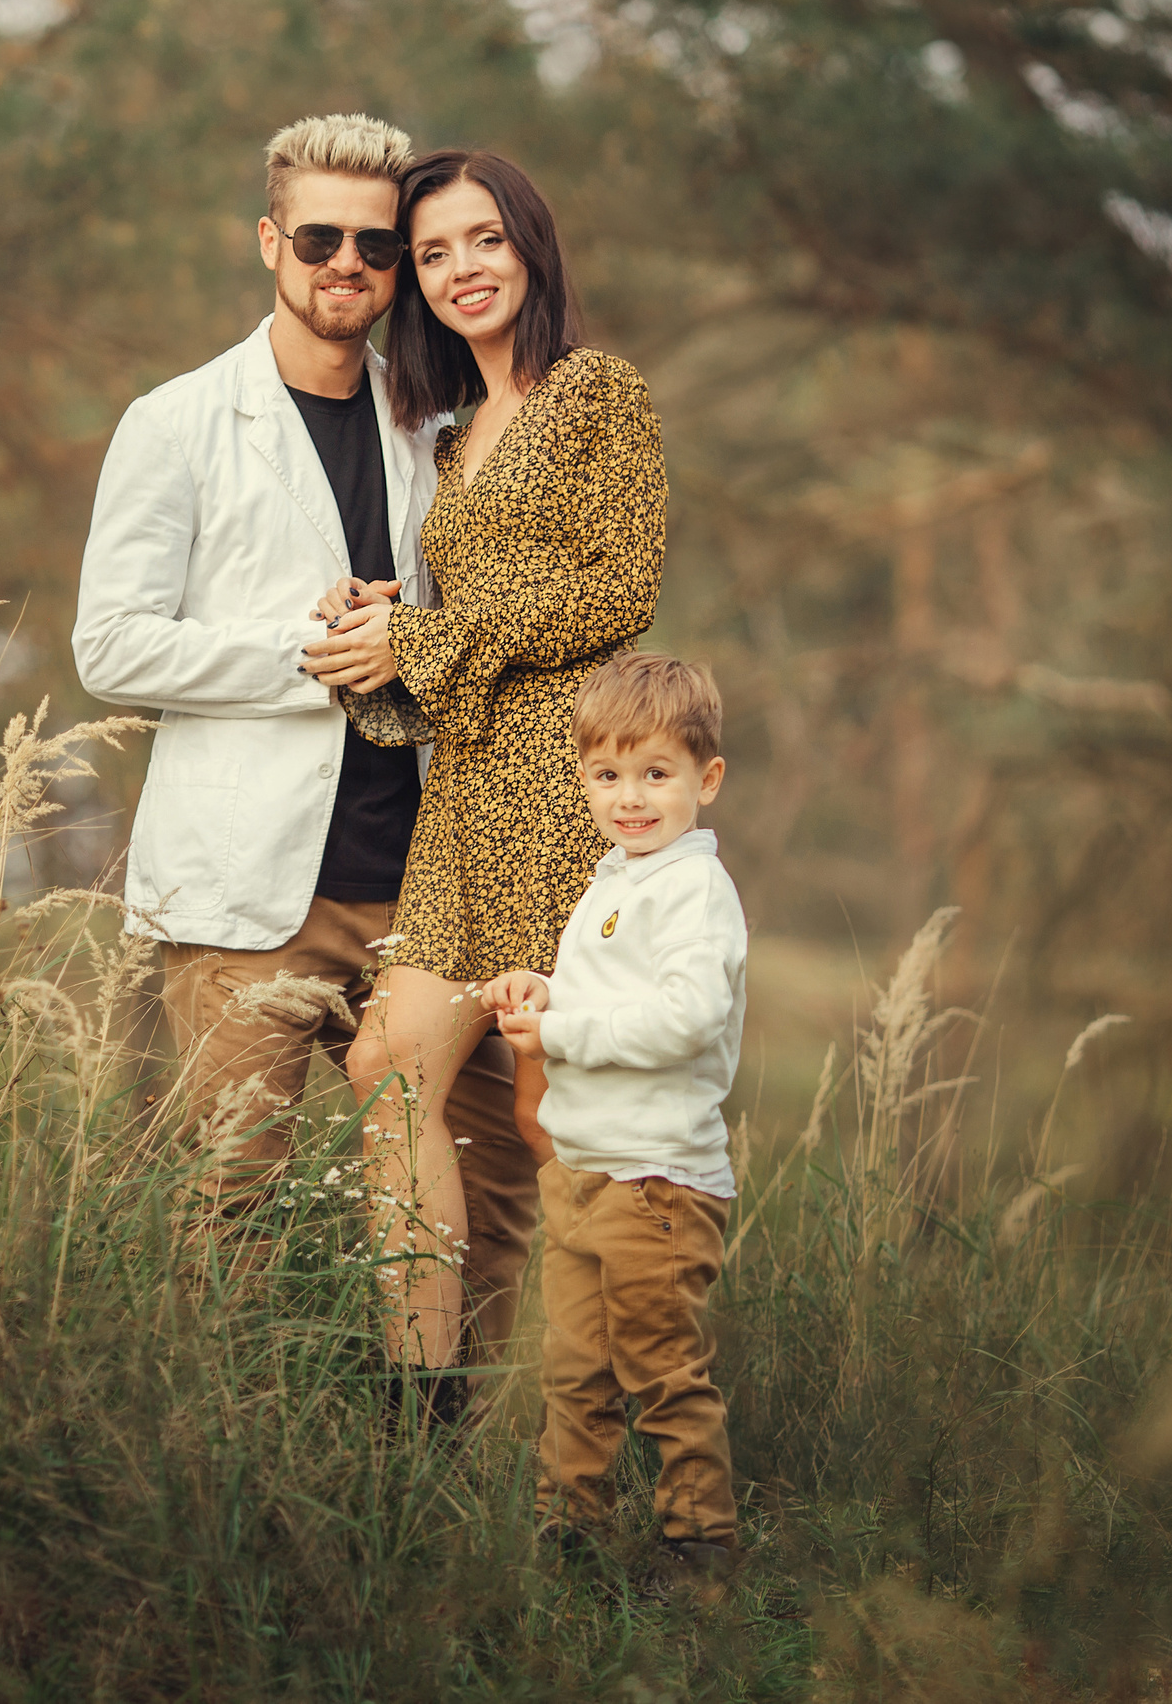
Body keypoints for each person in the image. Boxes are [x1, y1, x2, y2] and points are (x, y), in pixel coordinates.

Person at [71, 117, 539, 1382]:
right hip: (246, 899)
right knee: (231, 1202)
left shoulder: (435, 427)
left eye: (376, 246)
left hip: (431, 887)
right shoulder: (173, 423)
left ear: (399, 267)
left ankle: (447, 1460)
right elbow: (108, 647)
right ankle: (225, 1462)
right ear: (270, 241)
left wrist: (417, 641)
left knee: (492, 1182)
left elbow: (476, 629)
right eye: (320, 237)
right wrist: (306, 653)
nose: (348, 264)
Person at [299, 150, 666, 1376]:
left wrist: (433, 636)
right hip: (456, 803)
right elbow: (463, 637)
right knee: (386, 1067)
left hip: (561, 797)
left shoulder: (594, 393)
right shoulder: (453, 438)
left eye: (484, 240)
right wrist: (381, 642)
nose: (461, 270)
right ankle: (425, 1406)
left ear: (530, 247)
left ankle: (621, 1427)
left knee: (562, 1118)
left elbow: (619, 589)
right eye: (437, 251)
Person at [483, 651, 745, 1580]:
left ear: (706, 779)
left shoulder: (692, 890)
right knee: (573, 1373)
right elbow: (609, 995)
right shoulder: (616, 880)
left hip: (656, 1182)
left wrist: (563, 1027)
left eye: (656, 774)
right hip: (587, 1173)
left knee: (663, 1373)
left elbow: (687, 1015)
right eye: (608, 775)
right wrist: (540, 988)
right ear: (583, 776)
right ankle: (571, 1536)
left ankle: (699, 1545)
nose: (630, 797)